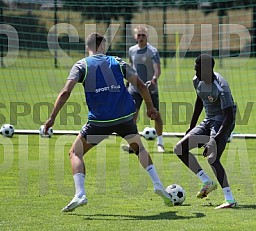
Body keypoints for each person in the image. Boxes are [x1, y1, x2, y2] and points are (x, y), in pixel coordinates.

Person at [43, 33, 172, 212]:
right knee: (139, 149)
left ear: (87, 47)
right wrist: (150, 108)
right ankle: (158, 184)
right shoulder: (117, 62)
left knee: (75, 152)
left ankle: (80, 194)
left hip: (99, 122)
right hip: (125, 119)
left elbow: (65, 92)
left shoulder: (81, 65)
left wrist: (51, 118)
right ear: (102, 45)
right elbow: (142, 85)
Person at [173, 54, 237, 209]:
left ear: (208, 70)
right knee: (179, 148)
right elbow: (199, 100)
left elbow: (229, 116)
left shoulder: (221, 86)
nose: (195, 72)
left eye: (198, 69)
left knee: (212, 158)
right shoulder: (197, 80)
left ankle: (230, 199)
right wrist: (192, 125)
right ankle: (207, 181)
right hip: (208, 121)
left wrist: (213, 140)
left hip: (223, 122)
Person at [122, 25, 165, 153]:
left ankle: (160, 143)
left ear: (147, 36)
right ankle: (133, 145)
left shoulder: (152, 51)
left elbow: (157, 69)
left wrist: (154, 79)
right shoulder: (131, 50)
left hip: (149, 88)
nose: (141, 37)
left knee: (155, 115)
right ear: (135, 37)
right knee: (132, 116)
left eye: (143, 35)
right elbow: (131, 67)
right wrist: (127, 83)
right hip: (134, 89)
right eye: (138, 35)